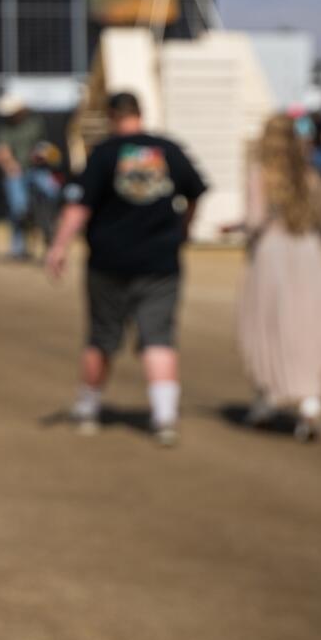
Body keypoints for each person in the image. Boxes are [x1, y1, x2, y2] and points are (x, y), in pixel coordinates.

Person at [44, 92, 208, 447]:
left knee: (102, 337)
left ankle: (88, 410)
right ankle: (164, 418)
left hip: (109, 262)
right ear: (140, 113)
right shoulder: (169, 150)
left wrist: (58, 247)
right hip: (160, 262)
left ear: (111, 117)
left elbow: (79, 207)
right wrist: (184, 228)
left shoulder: (103, 154)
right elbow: (196, 190)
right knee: (158, 339)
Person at [233, 116, 321, 443]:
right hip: (308, 256)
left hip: (272, 256)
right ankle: (310, 400)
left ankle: (269, 397)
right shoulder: (311, 176)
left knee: (267, 324)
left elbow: (255, 221)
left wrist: (238, 229)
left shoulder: (261, 175)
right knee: (308, 325)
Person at [0, 94, 56, 262]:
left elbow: (43, 146)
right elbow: (1, 151)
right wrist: (11, 166)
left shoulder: (35, 124)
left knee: (52, 191)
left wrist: (42, 154)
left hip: (36, 170)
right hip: (15, 172)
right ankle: (19, 248)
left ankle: (51, 236)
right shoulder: (3, 128)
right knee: (18, 208)